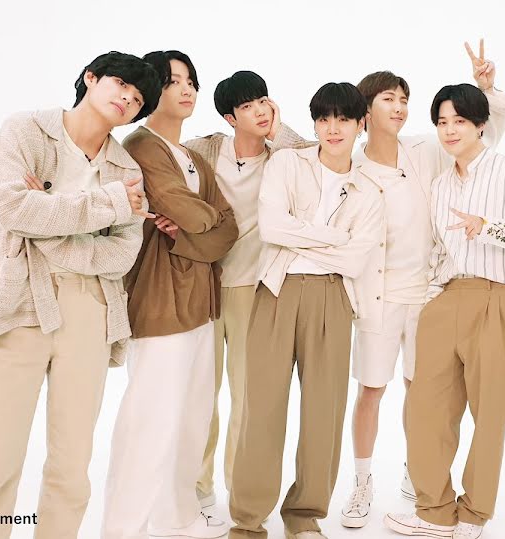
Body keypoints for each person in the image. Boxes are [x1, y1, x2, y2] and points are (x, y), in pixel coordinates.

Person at [0, 51, 160, 539]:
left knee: (72, 466)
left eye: (138, 100)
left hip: (91, 310)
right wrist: (108, 205)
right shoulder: (25, 131)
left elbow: (121, 254)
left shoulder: (127, 168)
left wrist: (49, 220)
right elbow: (15, 209)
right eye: (121, 85)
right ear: (91, 78)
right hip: (21, 306)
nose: (127, 99)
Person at [341, 40, 505, 529]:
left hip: (428, 293)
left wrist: (486, 91)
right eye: (388, 99)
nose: (399, 107)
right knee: (371, 390)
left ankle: (416, 473)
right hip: (377, 297)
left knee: (423, 393)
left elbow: (482, 136)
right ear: (366, 110)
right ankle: (361, 483)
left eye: (403, 99)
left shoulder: (424, 150)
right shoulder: (352, 166)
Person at [385, 82, 505, 539]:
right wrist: (431, 299)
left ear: (481, 125)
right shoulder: (440, 186)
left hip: (498, 298)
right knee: (426, 409)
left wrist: (488, 228)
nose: (449, 130)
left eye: (459, 120)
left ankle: (474, 515)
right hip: (446, 298)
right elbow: (440, 250)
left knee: (490, 414)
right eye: (442, 122)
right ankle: (434, 512)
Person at [228, 82, 385, 539]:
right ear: (314, 124)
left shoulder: (370, 189)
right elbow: (273, 228)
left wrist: (309, 238)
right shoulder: (286, 163)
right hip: (276, 292)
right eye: (323, 119)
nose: (333, 128)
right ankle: (248, 520)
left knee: (324, 412)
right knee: (262, 408)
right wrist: (335, 238)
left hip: (333, 298)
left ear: (361, 124)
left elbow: (355, 260)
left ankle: (304, 516)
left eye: (343, 119)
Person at [100, 50, 238, 539]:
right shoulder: (141, 146)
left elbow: (229, 230)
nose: (186, 89)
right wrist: (201, 222)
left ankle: (176, 518)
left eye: (191, 81)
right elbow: (192, 212)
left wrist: (194, 228)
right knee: (151, 419)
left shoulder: (195, 158)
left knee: (191, 418)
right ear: (151, 89)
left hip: (201, 303)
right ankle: (123, 529)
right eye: (173, 80)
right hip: (160, 300)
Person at [183, 70, 310, 509]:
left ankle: (239, 489)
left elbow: (322, 161)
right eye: (247, 106)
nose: (258, 111)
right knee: (201, 392)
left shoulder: (284, 158)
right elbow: (157, 168)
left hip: (252, 289)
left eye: (262, 101)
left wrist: (280, 131)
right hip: (203, 286)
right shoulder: (204, 150)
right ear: (229, 117)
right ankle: (197, 487)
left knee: (246, 396)